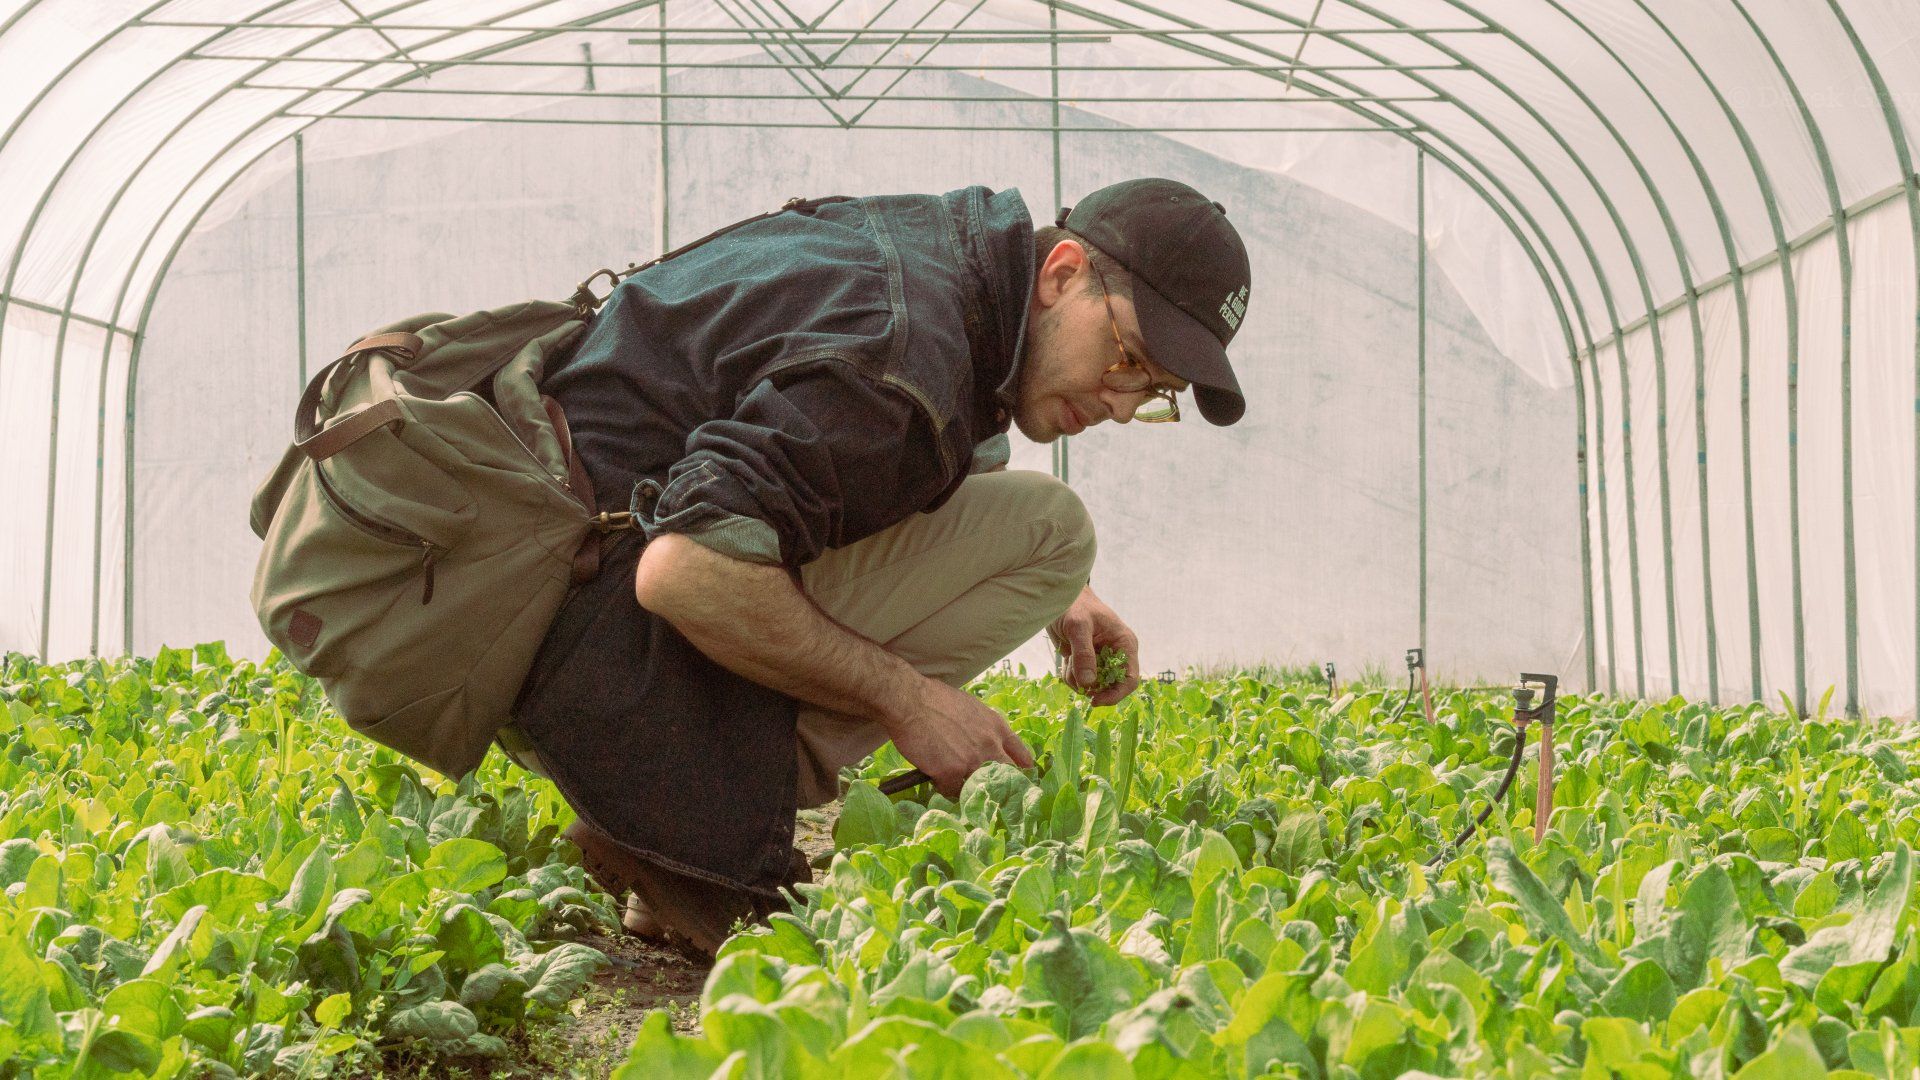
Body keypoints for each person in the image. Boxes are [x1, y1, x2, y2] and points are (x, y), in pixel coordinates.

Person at [497, 177, 1254, 956]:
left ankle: (669, 821)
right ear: (1062, 275)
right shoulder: (903, 354)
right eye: (1129, 359)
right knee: (1051, 527)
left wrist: (1070, 599)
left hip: (558, 601)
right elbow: (684, 569)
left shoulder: (942, 273)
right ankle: (684, 829)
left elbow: (922, 456)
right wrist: (912, 702)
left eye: (1155, 393)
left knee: (1051, 544)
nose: (1124, 406)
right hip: (587, 643)